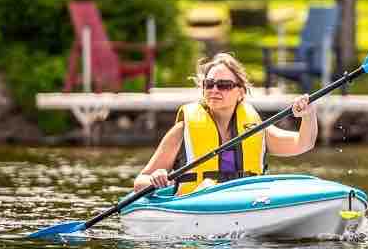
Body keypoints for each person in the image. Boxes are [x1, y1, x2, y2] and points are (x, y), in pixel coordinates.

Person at [133, 52, 317, 194]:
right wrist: (156, 179)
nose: (214, 90)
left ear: (240, 92)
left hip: (245, 201)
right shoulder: (182, 131)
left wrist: (308, 115)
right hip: (197, 207)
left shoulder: (257, 129)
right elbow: (141, 181)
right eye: (209, 84)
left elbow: (304, 143)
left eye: (224, 85)